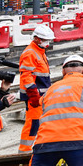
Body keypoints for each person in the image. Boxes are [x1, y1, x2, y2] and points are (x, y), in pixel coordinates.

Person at [18, 24, 55, 153]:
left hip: (40, 96)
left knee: (39, 123)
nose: (48, 43)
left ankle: (37, 147)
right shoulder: (30, 52)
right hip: (34, 96)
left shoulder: (39, 51)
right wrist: (33, 94)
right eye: (46, 40)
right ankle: (24, 150)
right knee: (33, 123)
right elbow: (26, 76)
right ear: (37, 38)